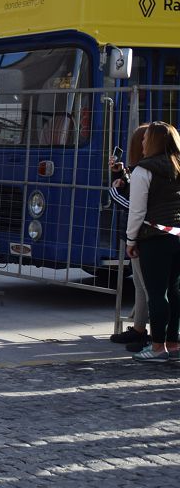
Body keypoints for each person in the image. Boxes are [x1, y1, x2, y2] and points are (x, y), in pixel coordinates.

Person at [126, 121, 180, 363]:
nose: (143, 142)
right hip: (178, 236)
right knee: (175, 291)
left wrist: (131, 239)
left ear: (155, 142)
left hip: (153, 238)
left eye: (146, 138)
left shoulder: (143, 170)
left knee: (157, 294)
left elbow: (136, 211)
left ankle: (157, 347)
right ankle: (173, 342)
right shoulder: (178, 166)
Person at [109, 124, 151, 351]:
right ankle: (139, 329)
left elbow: (136, 206)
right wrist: (120, 175)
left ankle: (160, 338)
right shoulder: (141, 169)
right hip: (141, 235)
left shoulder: (146, 170)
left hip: (144, 235)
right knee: (140, 285)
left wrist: (114, 191)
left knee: (148, 286)